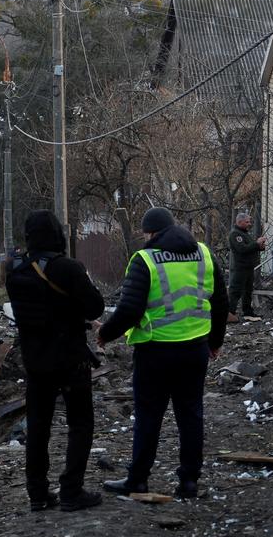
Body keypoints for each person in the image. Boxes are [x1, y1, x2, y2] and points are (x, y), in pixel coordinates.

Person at [97, 207, 228, 500]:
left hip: (155, 351)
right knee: (191, 415)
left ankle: (138, 479)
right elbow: (220, 301)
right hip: (194, 348)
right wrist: (215, 341)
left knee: (149, 416)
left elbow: (129, 309)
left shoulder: (145, 259)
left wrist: (106, 334)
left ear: (151, 233)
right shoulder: (204, 254)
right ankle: (189, 482)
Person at [7, 210, 105, 512]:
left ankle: (37, 494)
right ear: (57, 235)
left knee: (38, 428)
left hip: (35, 362)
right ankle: (71, 491)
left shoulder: (16, 271)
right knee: (80, 424)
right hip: (70, 360)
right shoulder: (68, 268)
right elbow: (94, 308)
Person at [227, 212, 266, 321]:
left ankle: (248, 311)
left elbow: (250, 247)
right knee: (236, 291)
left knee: (248, 291)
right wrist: (256, 244)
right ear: (239, 222)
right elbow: (242, 249)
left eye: (249, 221)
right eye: (247, 222)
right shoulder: (235, 234)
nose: (249, 224)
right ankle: (230, 313)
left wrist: (260, 246)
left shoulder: (244, 233)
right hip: (241, 268)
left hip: (249, 267)